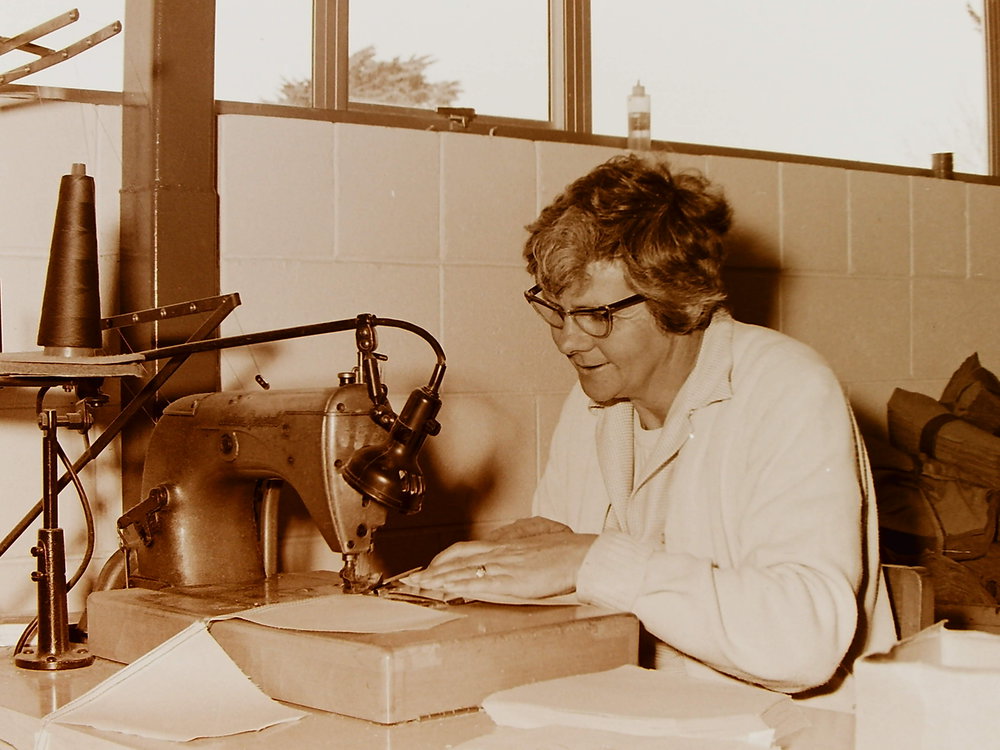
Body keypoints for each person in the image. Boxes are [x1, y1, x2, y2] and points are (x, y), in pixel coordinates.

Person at [405, 153, 896, 702]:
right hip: (644, 716)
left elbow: (804, 644)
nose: (569, 341)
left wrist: (591, 559)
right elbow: (578, 584)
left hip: (794, 726)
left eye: (598, 315)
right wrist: (516, 562)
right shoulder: (597, 397)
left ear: (676, 298)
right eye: (555, 311)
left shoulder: (789, 388)